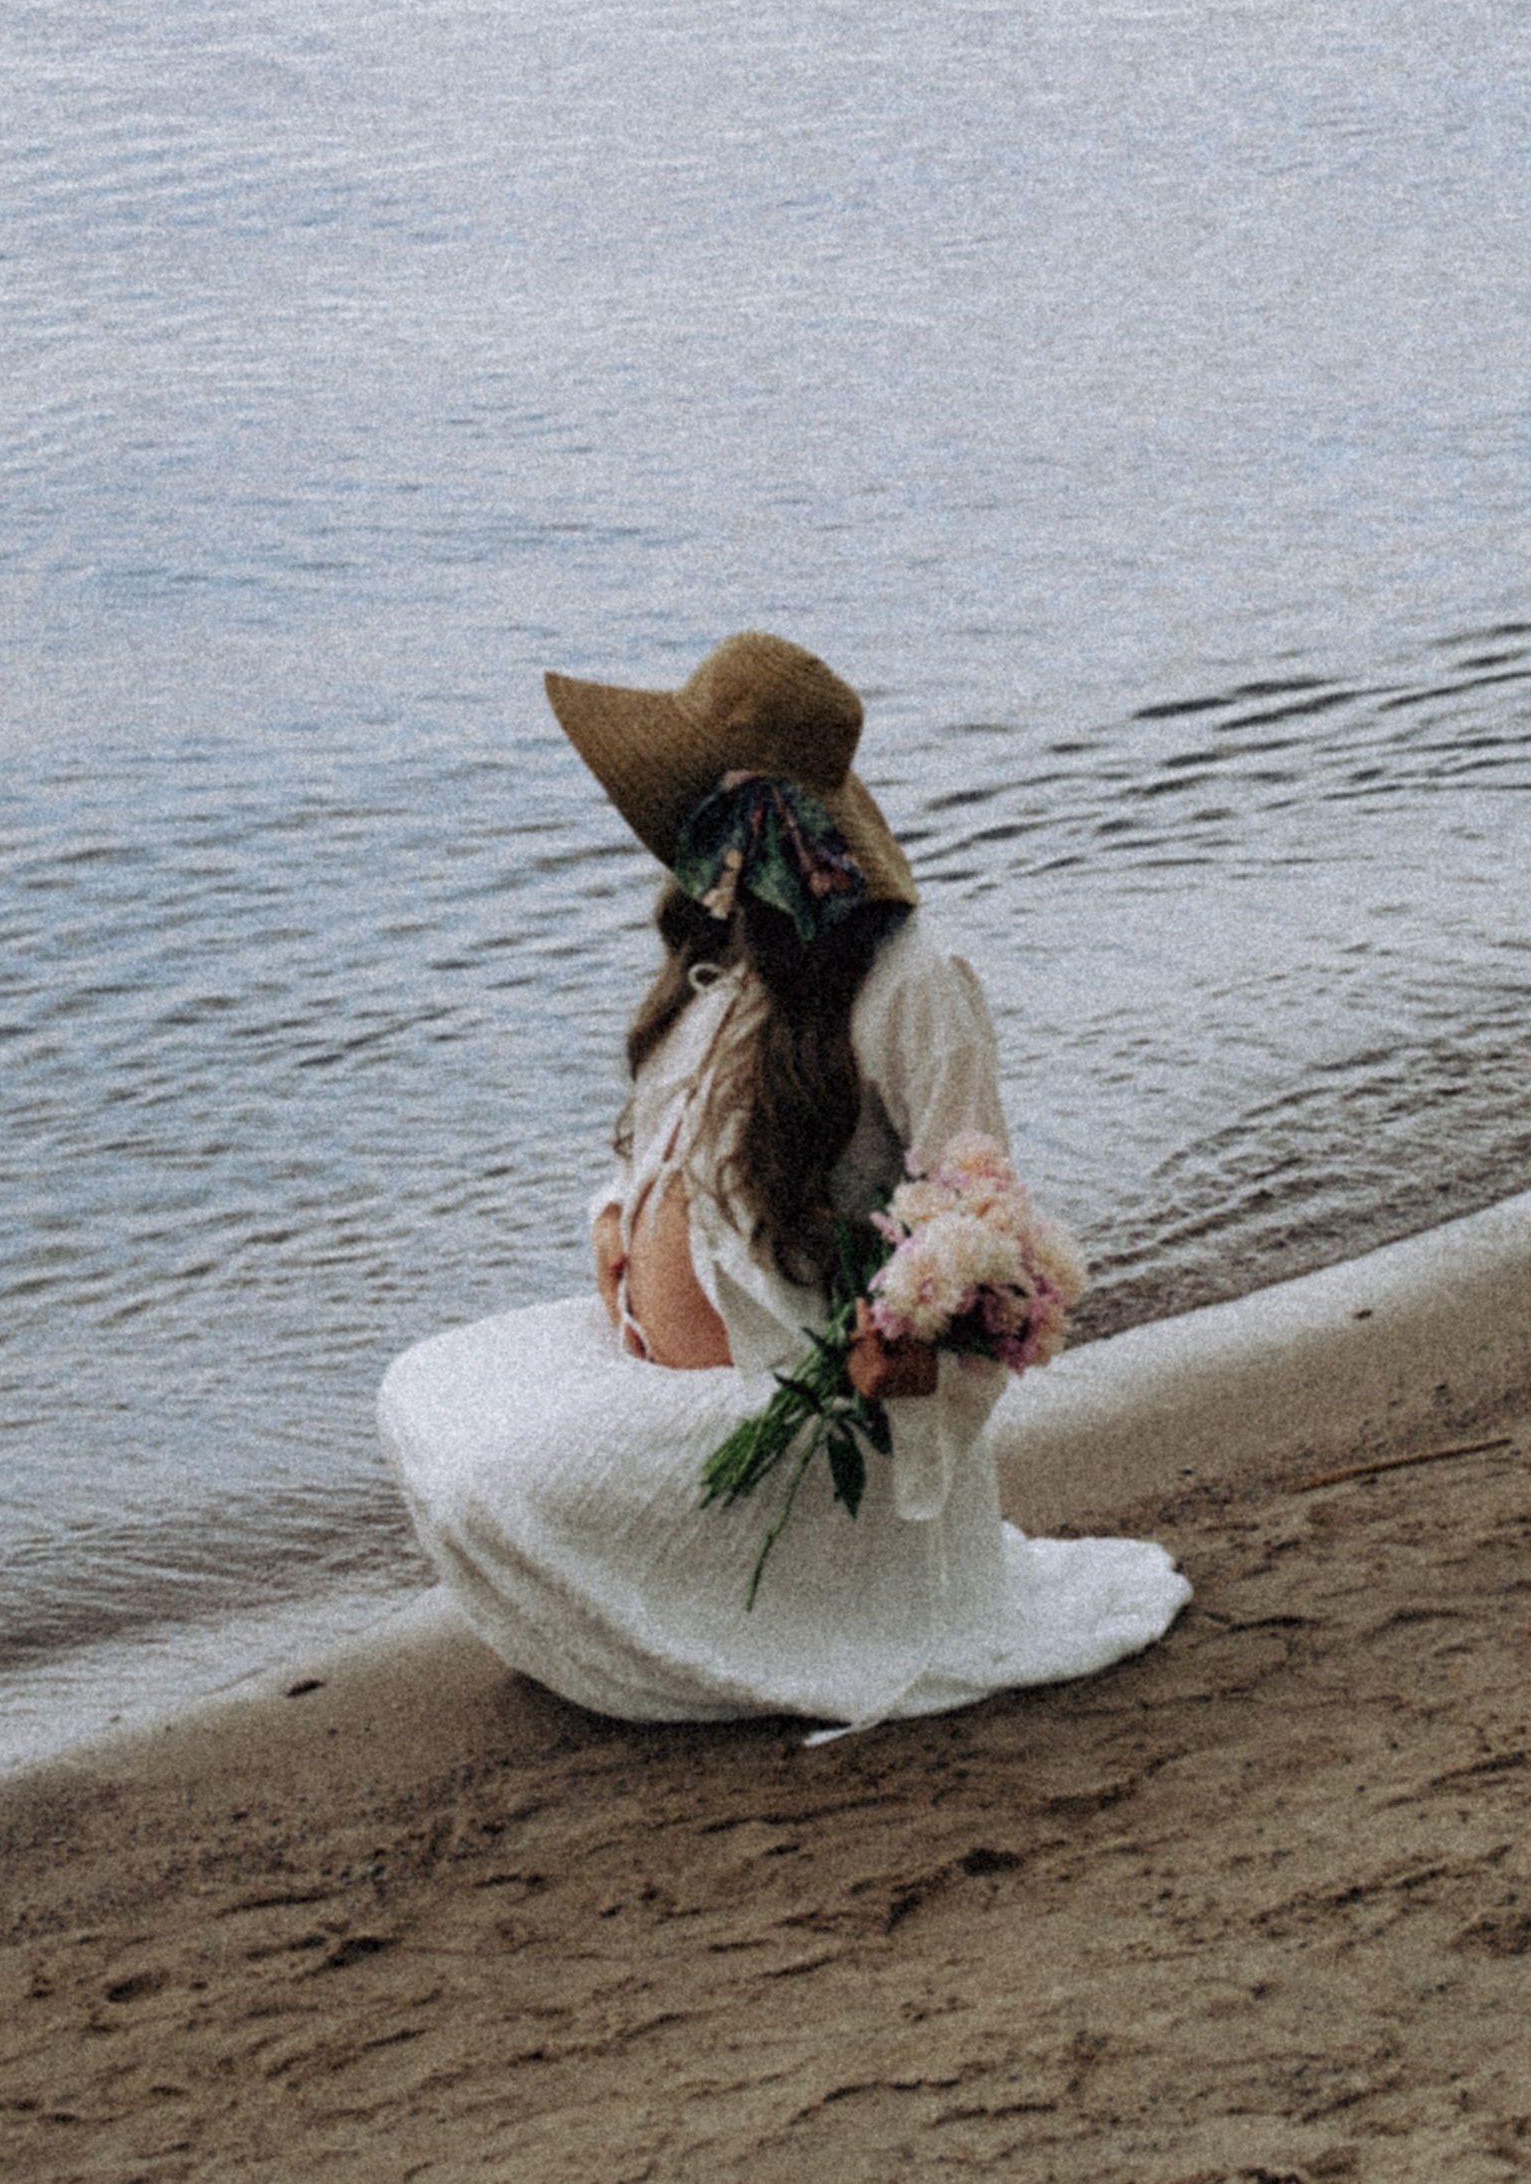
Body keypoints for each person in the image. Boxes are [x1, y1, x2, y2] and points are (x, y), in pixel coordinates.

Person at [377, 630, 1189, 1731]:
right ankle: (663, 1624)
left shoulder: (914, 981)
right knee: (424, 1389)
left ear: (771, 822)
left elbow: (983, 1223)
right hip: (647, 1365)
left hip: (784, 1397)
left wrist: (901, 1350)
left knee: (489, 1485)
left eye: (711, 814)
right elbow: (652, 1155)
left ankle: (733, 1628)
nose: (689, 845)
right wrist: (615, 1228)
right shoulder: (721, 962)